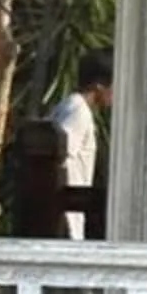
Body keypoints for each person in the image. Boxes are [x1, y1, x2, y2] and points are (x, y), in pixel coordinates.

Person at [48, 46, 112, 240]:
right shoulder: (77, 111)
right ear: (99, 85)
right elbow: (58, 154)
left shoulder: (68, 106)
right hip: (66, 219)